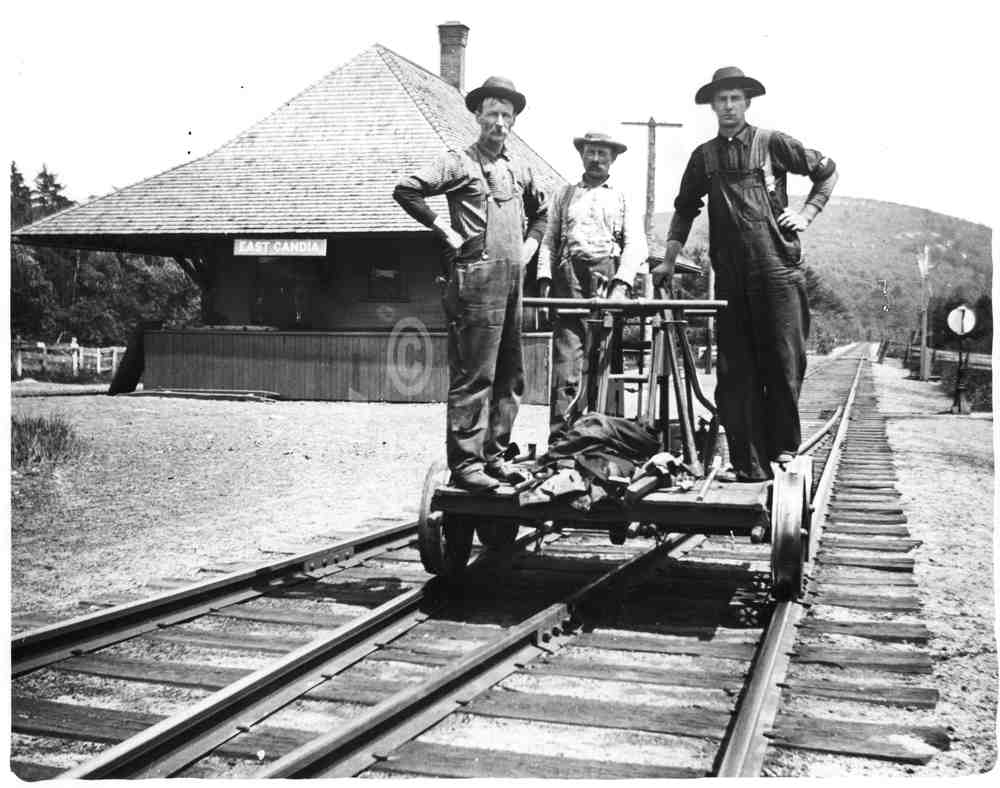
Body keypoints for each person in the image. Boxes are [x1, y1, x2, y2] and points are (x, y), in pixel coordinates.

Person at [652, 67, 838, 482]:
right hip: (731, 278)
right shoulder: (704, 156)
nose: (729, 106)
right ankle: (748, 466)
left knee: (784, 364)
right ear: (713, 106)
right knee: (735, 374)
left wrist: (807, 213)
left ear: (747, 102)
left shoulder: (773, 143)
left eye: (736, 98)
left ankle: (784, 453)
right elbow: (685, 207)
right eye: (722, 100)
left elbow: (827, 172)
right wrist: (668, 259)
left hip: (778, 272)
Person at [393, 76, 548, 492]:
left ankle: (495, 456)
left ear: (514, 120)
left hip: (513, 282)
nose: (499, 122)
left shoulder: (520, 168)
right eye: (492, 113)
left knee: (510, 375)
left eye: (506, 115)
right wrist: (444, 229)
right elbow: (407, 190)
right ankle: (466, 464)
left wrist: (530, 247)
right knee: (474, 375)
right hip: (475, 280)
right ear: (478, 116)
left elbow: (542, 213)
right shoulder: (458, 162)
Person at [536, 131, 647, 437]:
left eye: (602, 154)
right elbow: (549, 238)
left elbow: (636, 244)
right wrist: (544, 278)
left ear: (612, 159)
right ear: (582, 155)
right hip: (569, 278)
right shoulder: (565, 194)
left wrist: (621, 284)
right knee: (567, 361)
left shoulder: (621, 196)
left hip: (607, 280)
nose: (596, 159)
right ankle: (561, 440)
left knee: (603, 364)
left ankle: (602, 439)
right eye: (590, 153)